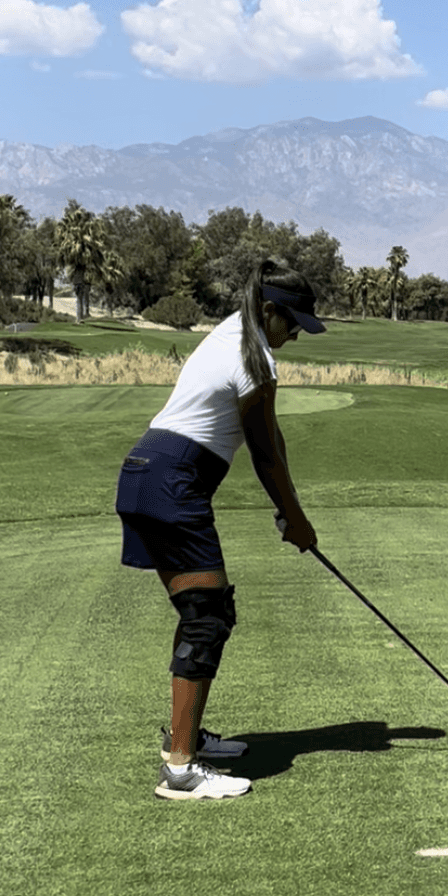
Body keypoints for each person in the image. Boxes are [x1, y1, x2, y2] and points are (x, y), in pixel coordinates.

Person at [114, 258, 323, 801]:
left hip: (145, 474)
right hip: (171, 481)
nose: (296, 334)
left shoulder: (234, 332)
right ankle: (181, 769)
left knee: (204, 613)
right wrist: (297, 519)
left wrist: (291, 511)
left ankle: (184, 738)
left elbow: (272, 438)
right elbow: (263, 454)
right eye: (292, 322)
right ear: (269, 310)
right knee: (205, 618)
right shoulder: (253, 358)